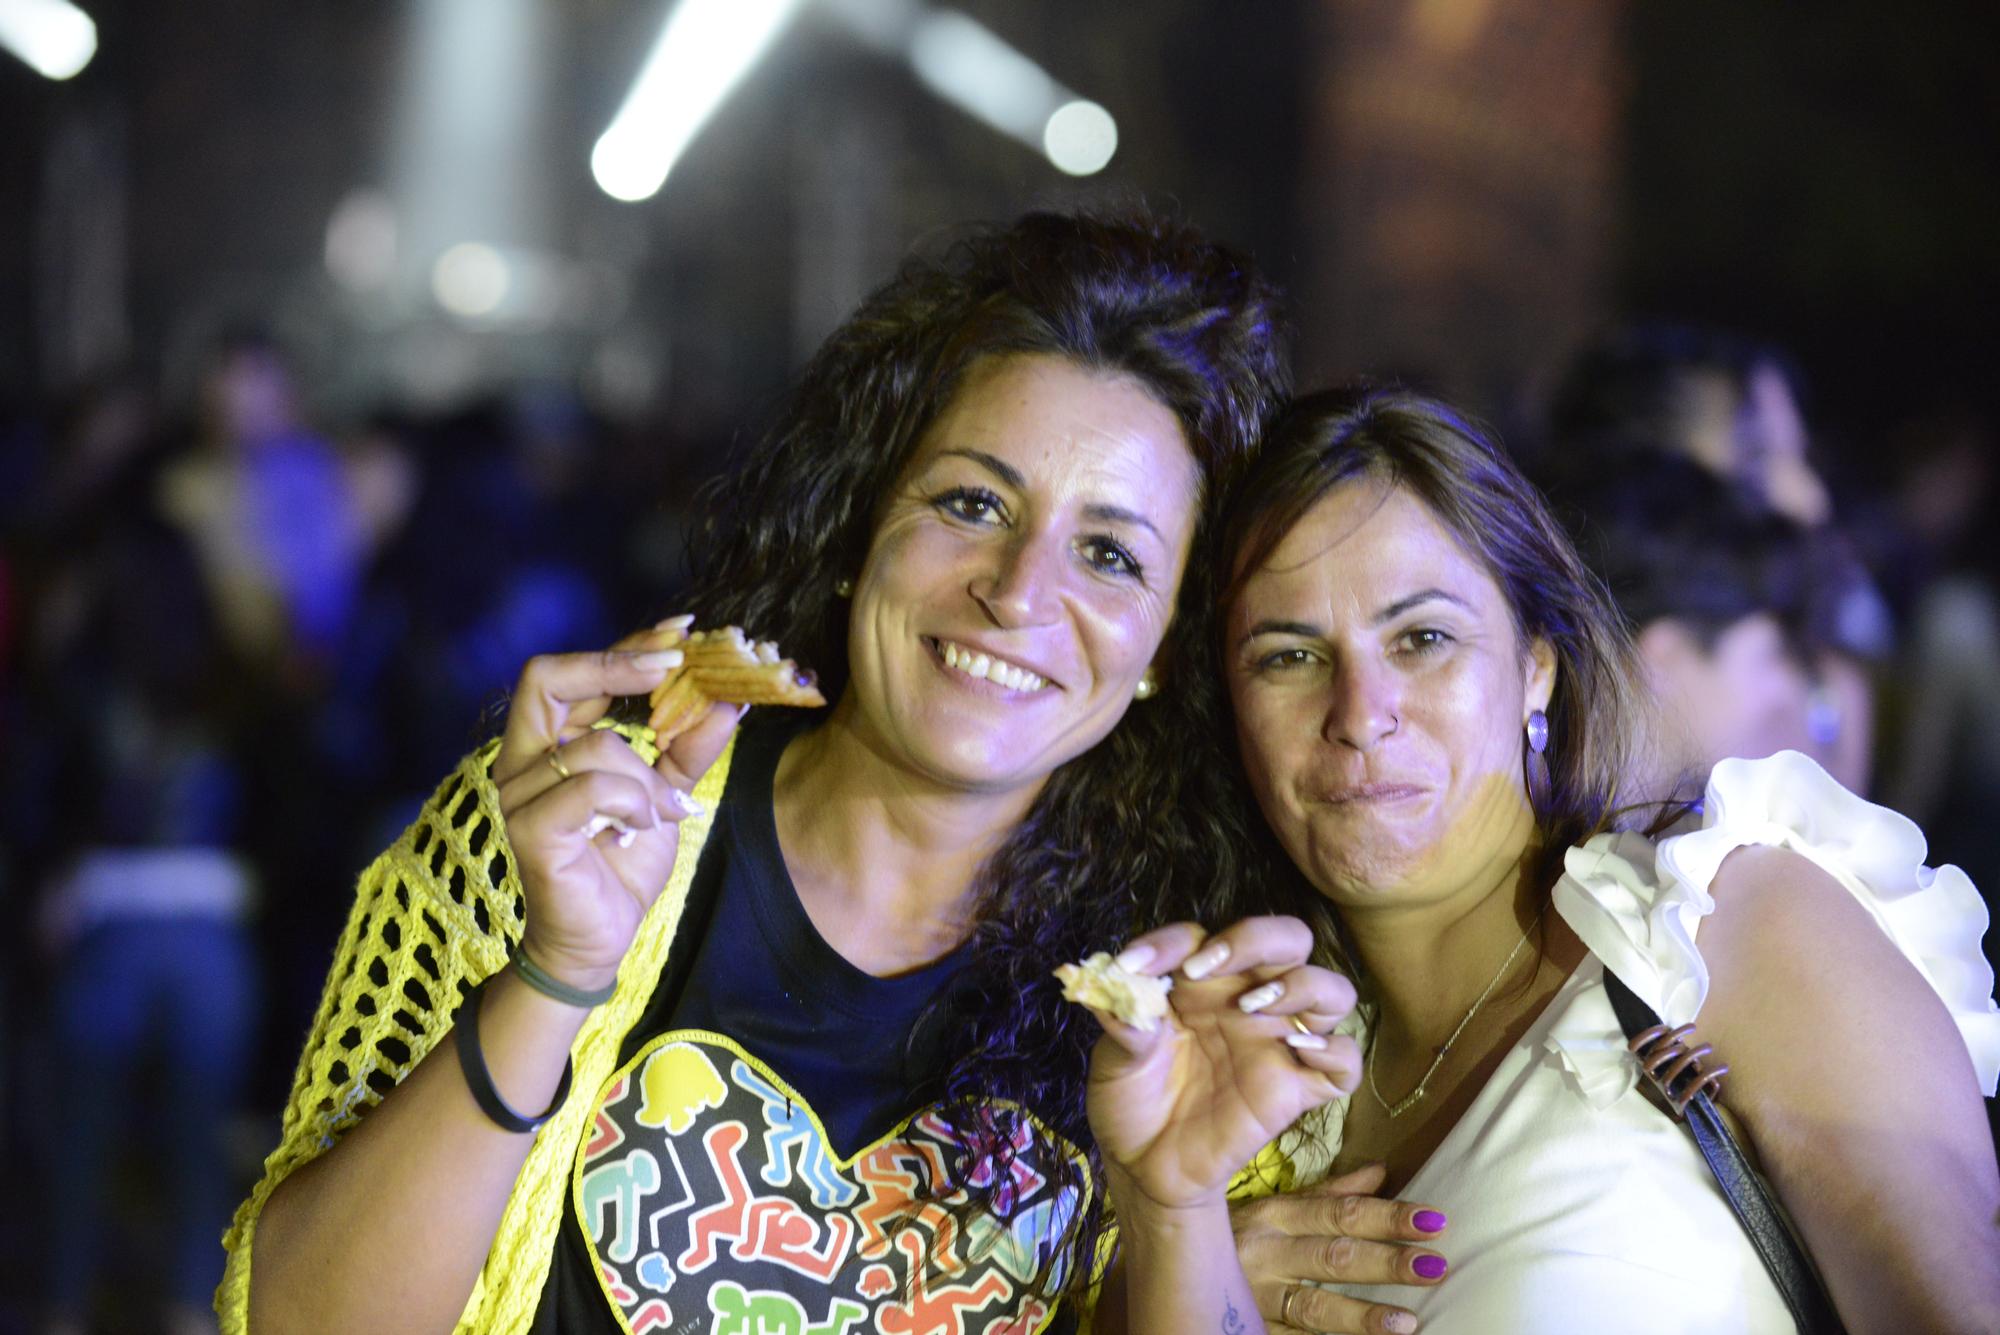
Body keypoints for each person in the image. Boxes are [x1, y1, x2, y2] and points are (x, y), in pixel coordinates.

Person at [218, 208, 1419, 1335]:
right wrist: (557, 971)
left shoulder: (1200, 1007)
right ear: (862, 528)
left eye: (1108, 553)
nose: (1016, 592)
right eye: (970, 503)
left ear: (1166, 644)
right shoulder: (570, 827)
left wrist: (1172, 1214)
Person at [1215, 386, 2000, 1332]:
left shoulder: (1722, 924)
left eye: (1422, 638)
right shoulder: (1263, 1099)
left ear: (1535, 668)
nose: (1360, 713)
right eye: (1289, 657)